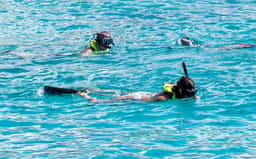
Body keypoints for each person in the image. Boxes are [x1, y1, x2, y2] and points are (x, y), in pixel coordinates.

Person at [45, 63, 197, 103]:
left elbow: (189, 96)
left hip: (143, 93)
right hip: (135, 98)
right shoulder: (162, 98)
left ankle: (94, 89)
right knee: (99, 102)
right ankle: (82, 94)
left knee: (116, 93)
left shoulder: (179, 92)